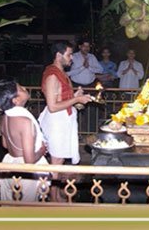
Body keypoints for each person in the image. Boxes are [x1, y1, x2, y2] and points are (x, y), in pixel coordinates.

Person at [38, 41, 92, 201]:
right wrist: (77, 100)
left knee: (59, 161)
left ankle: (54, 196)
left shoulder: (62, 73)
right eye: (69, 54)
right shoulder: (52, 75)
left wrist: (76, 96)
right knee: (56, 162)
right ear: (58, 55)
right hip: (56, 121)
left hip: (63, 120)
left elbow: (61, 98)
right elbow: (53, 106)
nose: (72, 58)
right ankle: (53, 199)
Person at [0, 79, 48, 202]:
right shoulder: (24, 121)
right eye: (21, 88)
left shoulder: (5, 117)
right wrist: (42, 150)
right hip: (24, 172)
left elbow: (5, 145)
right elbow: (29, 161)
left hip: (9, 163)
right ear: (15, 100)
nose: (24, 88)